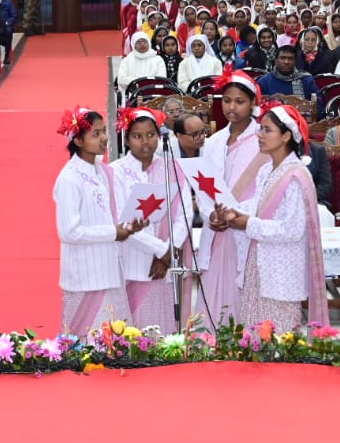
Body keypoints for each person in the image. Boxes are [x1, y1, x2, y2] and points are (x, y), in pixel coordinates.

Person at [212, 102, 326, 330]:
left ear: (286, 136)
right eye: (260, 129)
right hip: (258, 264)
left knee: (278, 338)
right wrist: (231, 213)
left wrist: (248, 224)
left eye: (267, 130)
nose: (260, 135)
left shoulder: (297, 175)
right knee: (254, 335)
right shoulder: (267, 170)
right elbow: (258, 205)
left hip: (281, 273)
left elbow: (292, 229)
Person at [53, 106, 144, 333]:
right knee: (87, 345)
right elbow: (69, 232)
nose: (104, 138)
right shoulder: (69, 178)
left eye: (104, 131)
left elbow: (108, 214)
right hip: (85, 275)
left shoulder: (101, 171)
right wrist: (114, 233)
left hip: (110, 270)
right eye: (96, 134)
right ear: (78, 141)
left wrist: (129, 226)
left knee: (115, 342)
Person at [111, 107, 191, 333]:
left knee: (161, 333)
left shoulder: (172, 169)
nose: (145, 142)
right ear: (127, 139)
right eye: (137, 136)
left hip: (164, 266)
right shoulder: (116, 172)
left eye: (150, 135)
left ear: (159, 135)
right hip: (130, 262)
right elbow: (121, 222)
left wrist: (168, 254)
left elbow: (184, 214)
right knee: (131, 334)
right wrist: (161, 250)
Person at [199, 72, 266, 327]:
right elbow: (204, 186)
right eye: (227, 100)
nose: (232, 107)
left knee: (244, 292)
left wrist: (237, 215)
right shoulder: (214, 142)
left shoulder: (263, 139)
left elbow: (265, 187)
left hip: (246, 225)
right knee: (214, 295)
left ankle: (246, 341)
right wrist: (211, 215)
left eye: (240, 101)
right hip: (217, 228)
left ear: (253, 103)